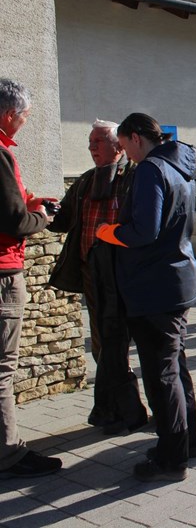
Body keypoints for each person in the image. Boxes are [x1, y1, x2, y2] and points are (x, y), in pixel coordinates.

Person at [96, 112, 196, 482]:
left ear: (136, 138)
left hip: (154, 287)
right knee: (175, 368)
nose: (125, 154)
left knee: (161, 375)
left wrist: (107, 232)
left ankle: (172, 457)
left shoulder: (150, 170)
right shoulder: (179, 167)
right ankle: (187, 443)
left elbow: (144, 231)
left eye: (124, 146)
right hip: (175, 280)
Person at [48, 120, 148, 435]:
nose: (91, 147)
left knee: (118, 343)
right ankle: (118, 410)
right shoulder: (86, 181)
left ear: (118, 145)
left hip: (123, 274)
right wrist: (42, 211)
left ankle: (127, 411)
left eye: (98, 141)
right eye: (90, 142)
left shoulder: (133, 177)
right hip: (91, 273)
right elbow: (64, 219)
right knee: (103, 344)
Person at [0, 78, 63, 479]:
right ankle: (8, 455)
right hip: (3, 273)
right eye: (24, 116)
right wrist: (42, 217)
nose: (25, 122)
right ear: (10, 114)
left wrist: (28, 202)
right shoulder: (1, 154)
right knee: (2, 368)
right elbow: (14, 221)